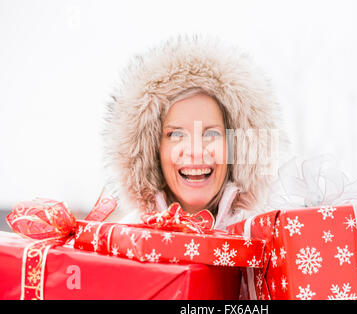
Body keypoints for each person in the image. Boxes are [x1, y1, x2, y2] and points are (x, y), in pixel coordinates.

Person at [102, 35, 288, 230]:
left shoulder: (266, 242)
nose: (196, 151)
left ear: (236, 148)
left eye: (211, 134)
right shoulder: (125, 240)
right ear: (152, 151)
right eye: (176, 135)